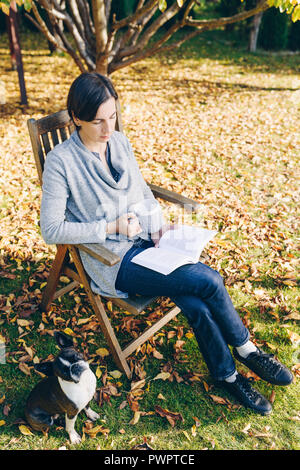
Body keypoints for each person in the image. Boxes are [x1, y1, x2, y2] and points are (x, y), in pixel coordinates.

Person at [40, 72, 293, 416]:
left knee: (198, 303)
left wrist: (158, 228)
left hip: (148, 244)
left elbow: (141, 192)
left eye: (112, 116)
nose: (107, 129)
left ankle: (228, 376)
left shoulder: (120, 142)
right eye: (98, 121)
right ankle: (247, 349)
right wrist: (110, 226)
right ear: (76, 118)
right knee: (208, 280)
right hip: (114, 260)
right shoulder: (61, 163)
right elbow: (52, 229)